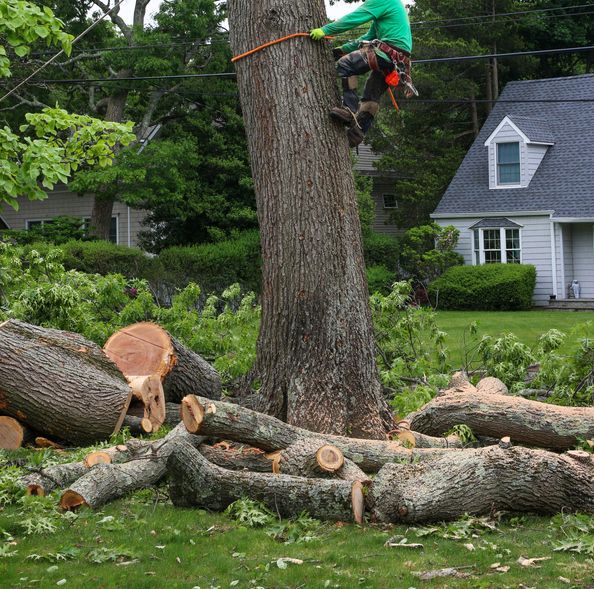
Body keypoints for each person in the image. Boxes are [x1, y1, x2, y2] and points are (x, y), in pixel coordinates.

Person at [310, 0, 415, 147]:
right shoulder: (390, 7)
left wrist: (325, 30)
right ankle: (357, 133)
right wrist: (342, 50)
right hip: (398, 61)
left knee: (346, 64)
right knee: (371, 95)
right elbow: (369, 36)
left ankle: (349, 110)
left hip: (387, 52)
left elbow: (356, 17)